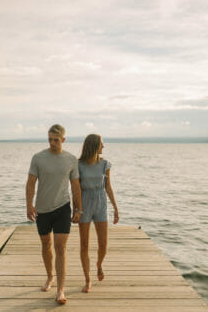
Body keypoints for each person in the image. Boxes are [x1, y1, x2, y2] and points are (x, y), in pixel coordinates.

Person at [25, 124, 83, 305]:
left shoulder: (71, 159)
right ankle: (50, 276)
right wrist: (29, 205)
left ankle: (60, 290)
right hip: (42, 209)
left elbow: (75, 186)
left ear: (63, 140)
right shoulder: (38, 158)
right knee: (46, 244)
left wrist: (78, 208)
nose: (52, 142)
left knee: (60, 248)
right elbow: (30, 183)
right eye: (49, 139)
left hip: (62, 208)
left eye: (56, 140)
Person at [77, 134, 119, 293]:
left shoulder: (105, 164)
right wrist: (77, 209)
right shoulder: (79, 165)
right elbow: (76, 189)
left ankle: (99, 264)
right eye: (101, 144)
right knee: (85, 244)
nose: (104, 147)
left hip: (101, 202)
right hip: (84, 203)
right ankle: (87, 280)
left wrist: (115, 207)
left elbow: (108, 187)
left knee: (103, 244)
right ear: (94, 146)